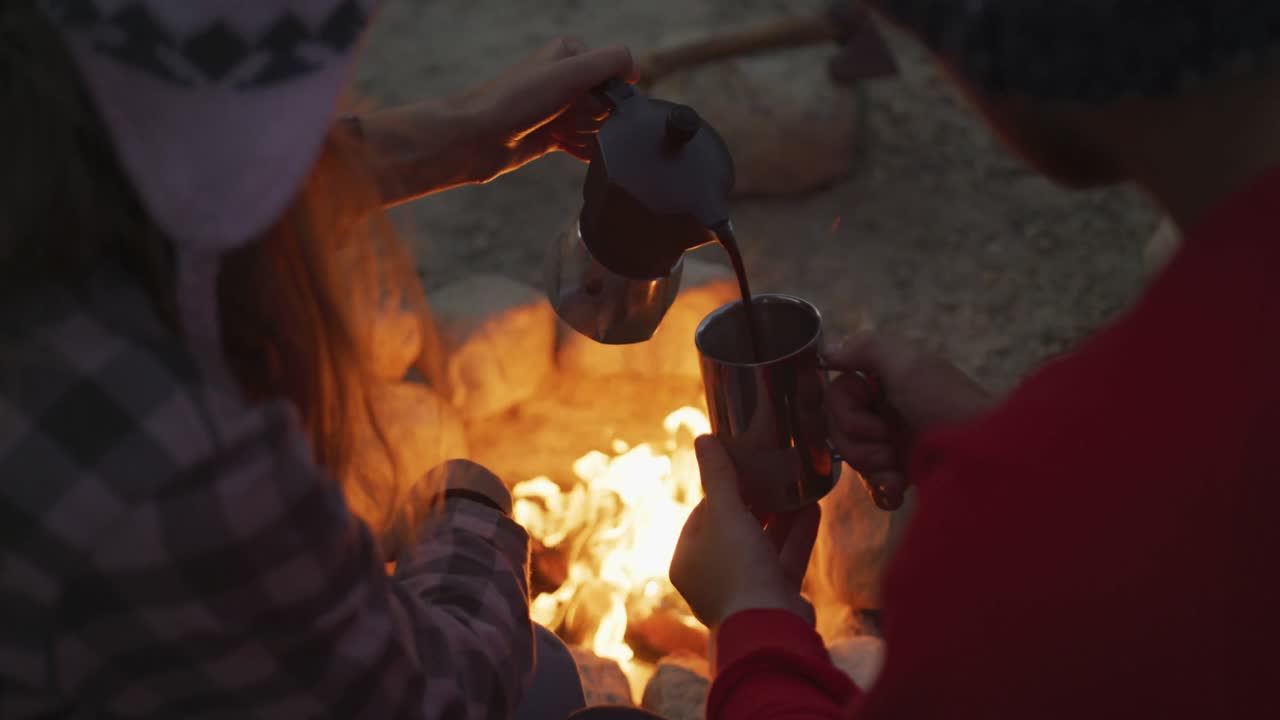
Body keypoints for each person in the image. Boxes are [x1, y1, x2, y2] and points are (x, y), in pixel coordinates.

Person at [0, 0, 641, 717]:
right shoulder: (167, 454)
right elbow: (430, 696)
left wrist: (463, 134)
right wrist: (469, 507)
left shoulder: (46, 182)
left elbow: (202, 162)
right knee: (557, 689)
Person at [669, 1, 1277, 718]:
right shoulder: (1208, 376)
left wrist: (751, 622)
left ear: (1004, 56)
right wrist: (1022, 453)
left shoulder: (988, 554)